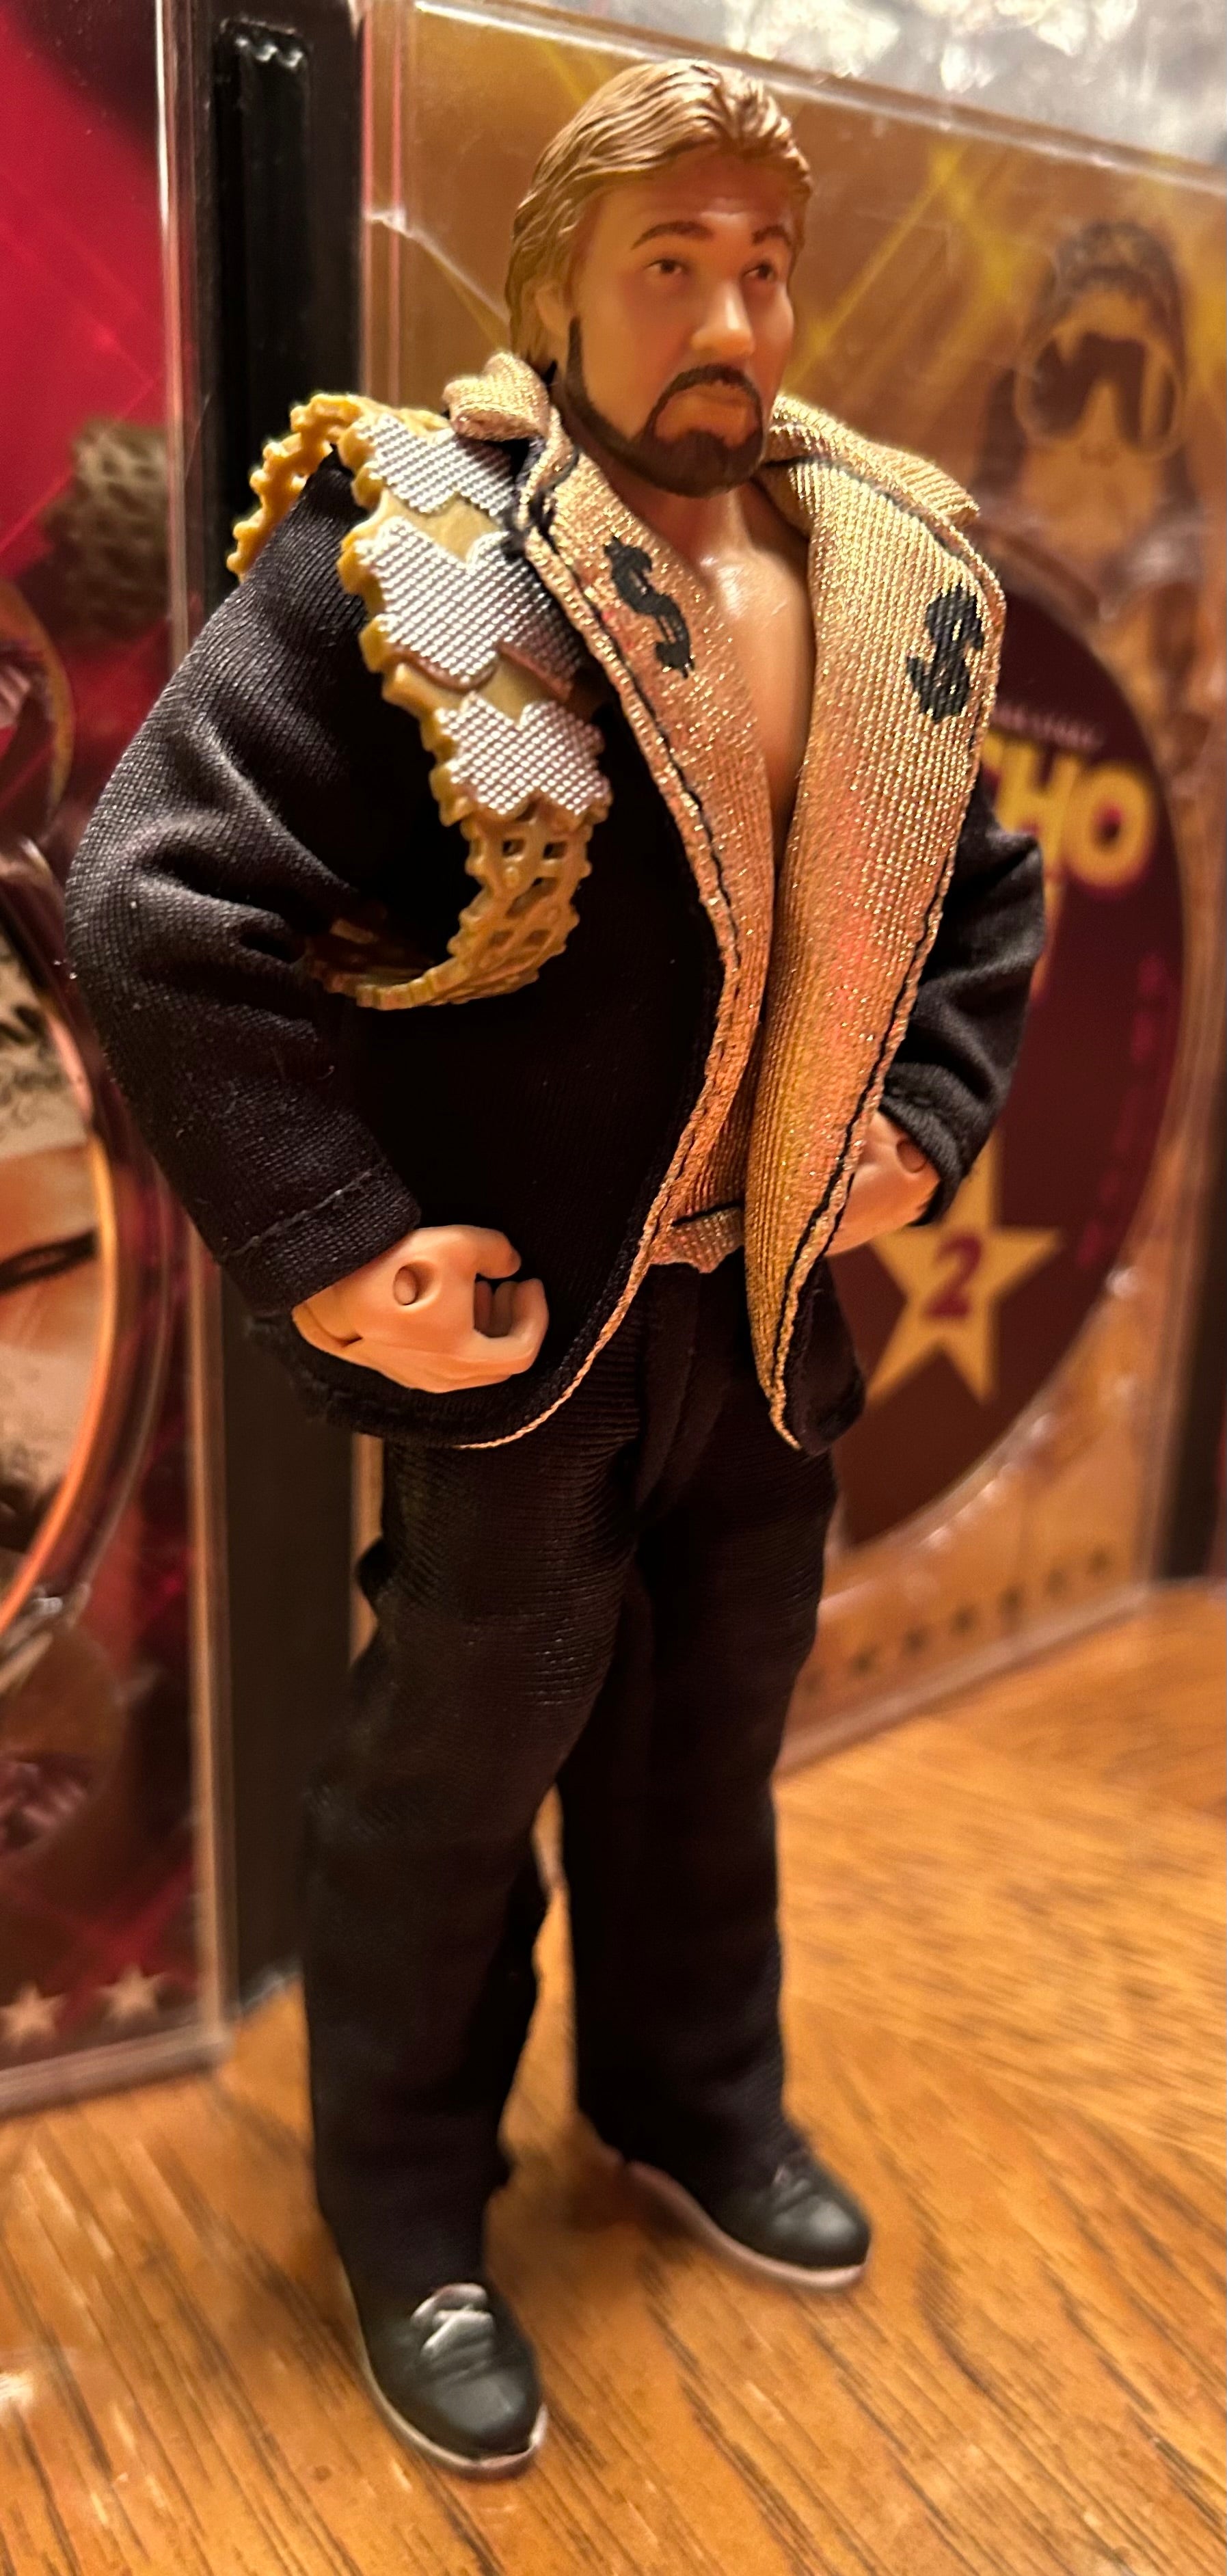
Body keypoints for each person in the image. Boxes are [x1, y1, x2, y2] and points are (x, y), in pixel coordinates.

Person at [65, 58, 1043, 2479]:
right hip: (524, 1325)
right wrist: (337, 1237)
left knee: (711, 1740)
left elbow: (981, 881)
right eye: (668, 266)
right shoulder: (427, 547)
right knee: (458, 1761)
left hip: (761, 1313)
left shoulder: (876, 571)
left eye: (762, 267)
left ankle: (693, 2098)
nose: (730, 321)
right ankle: (405, 2201)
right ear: (556, 290)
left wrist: (920, 1118)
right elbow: (158, 902)